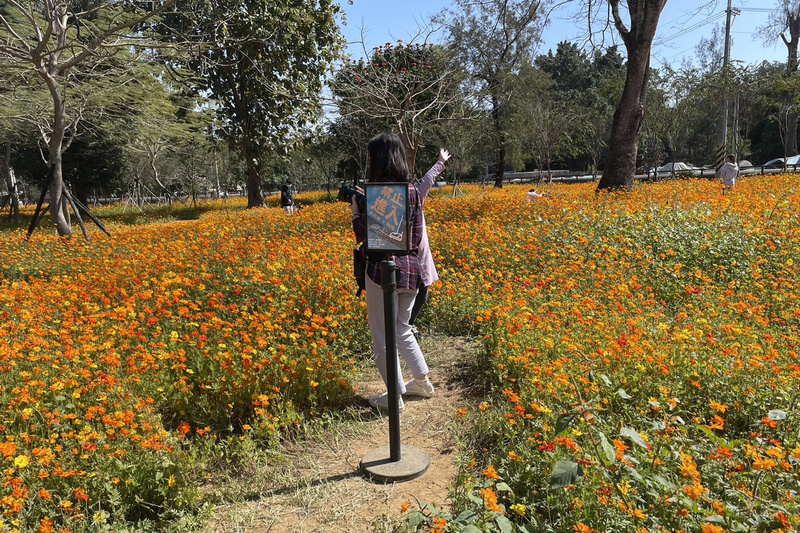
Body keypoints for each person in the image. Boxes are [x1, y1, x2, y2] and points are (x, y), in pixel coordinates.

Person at [350, 132, 435, 411]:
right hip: (411, 270)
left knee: (382, 336)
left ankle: (394, 396)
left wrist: (356, 216)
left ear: (378, 159)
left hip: (381, 273)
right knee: (402, 328)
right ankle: (421, 381)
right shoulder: (411, 190)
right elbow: (415, 234)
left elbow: (373, 242)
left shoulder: (380, 192)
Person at [408, 148, 451, 340]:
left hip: (420, 257)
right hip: (407, 260)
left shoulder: (416, 197)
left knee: (422, 295)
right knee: (411, 296)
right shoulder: (395, 203)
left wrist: (440, 163)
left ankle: (409, 324)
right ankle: (406, 326)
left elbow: (427, 181)